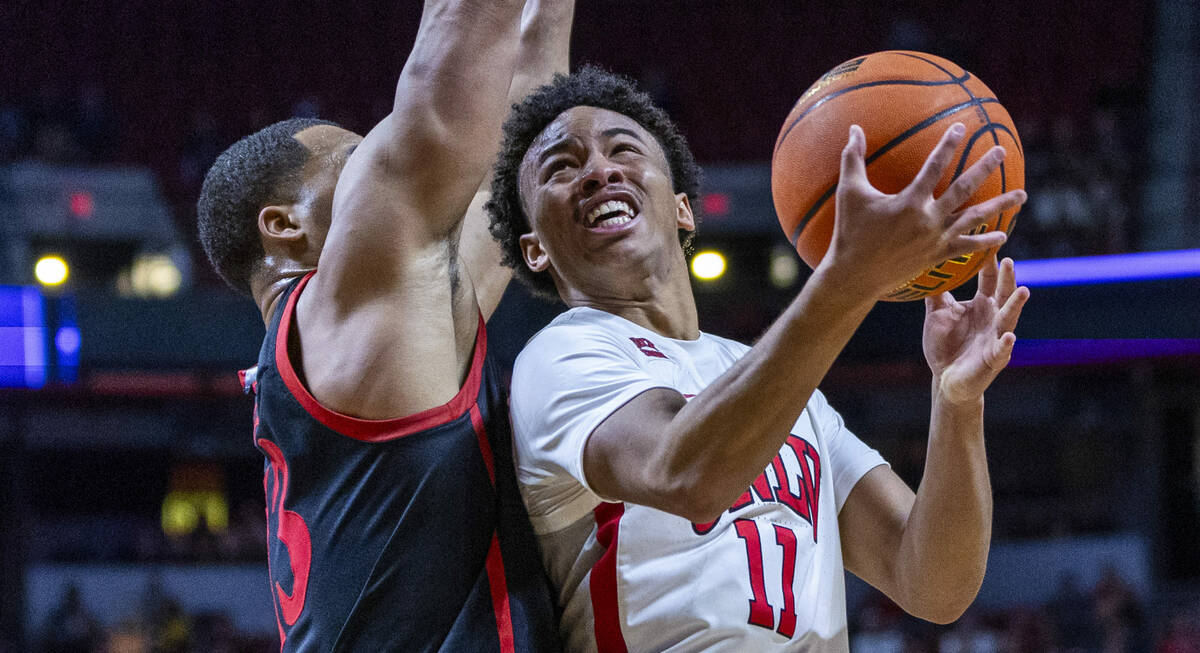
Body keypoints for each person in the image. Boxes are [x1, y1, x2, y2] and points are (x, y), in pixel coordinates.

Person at [487, 67, 1030, 651]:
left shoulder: (777, 381)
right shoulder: (559, 357)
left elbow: (932, 583)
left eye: (623, 148)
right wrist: (848, 280)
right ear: (534, 250)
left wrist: (955, 401)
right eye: (562, 168)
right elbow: (686, 474)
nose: (600, 170)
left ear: (682, 211)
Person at [195, 1, 573, 650]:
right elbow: (445, 77)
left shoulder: (385, 324)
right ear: (285, 226)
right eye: (359, 161)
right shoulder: (354, 307)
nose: (384, 161)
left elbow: (518, 128)